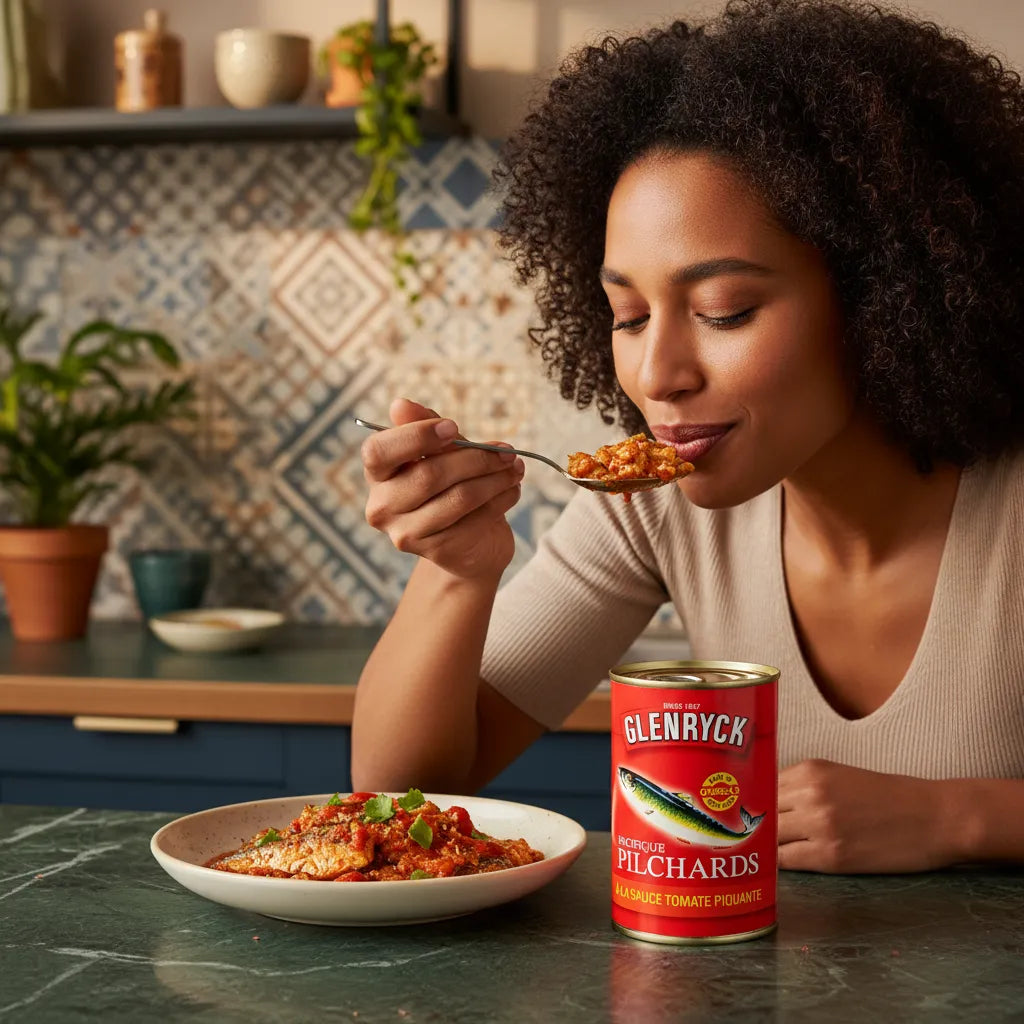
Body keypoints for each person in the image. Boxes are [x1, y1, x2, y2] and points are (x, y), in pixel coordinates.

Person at [352, 0, 1024, 874]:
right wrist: (457, 574)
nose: (657, 375)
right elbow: (403, 792)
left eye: (724, 310)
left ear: (884, 296)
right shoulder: (659, 502)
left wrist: (966, 817)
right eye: (628, 315)